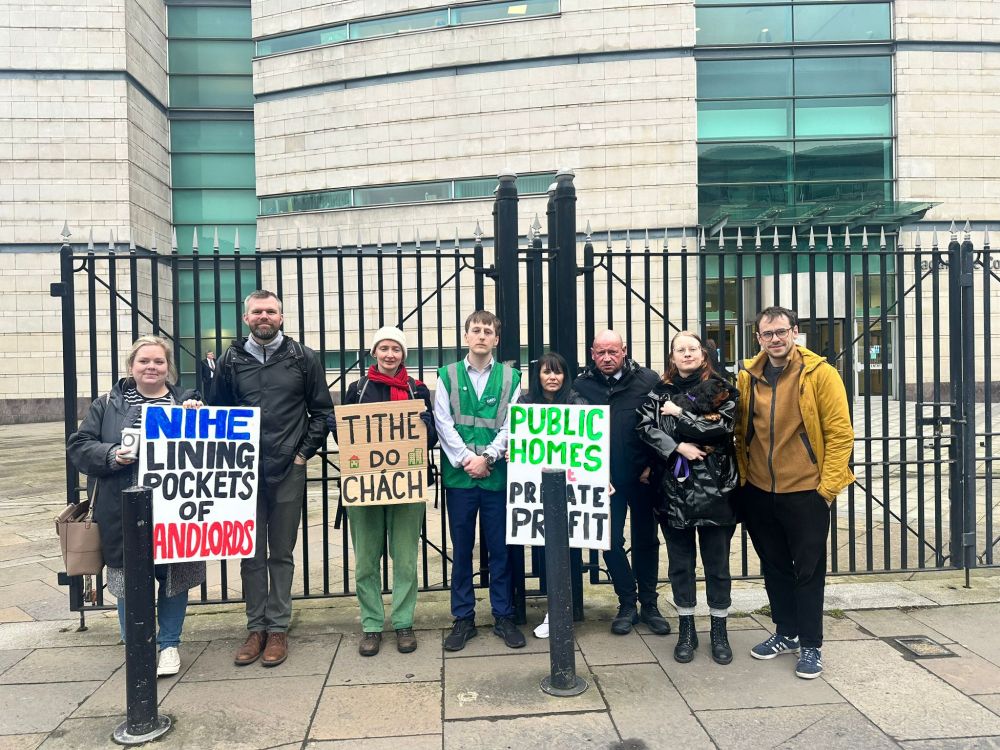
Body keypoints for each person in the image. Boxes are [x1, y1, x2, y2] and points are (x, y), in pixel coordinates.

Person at [67, 335, 206, 678]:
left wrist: (197, 419)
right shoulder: (106, 405)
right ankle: (137, 644)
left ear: (168, 368)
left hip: (175, 510)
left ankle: (169, 644)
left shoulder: (187, 401)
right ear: (132, 366)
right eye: (144, 361)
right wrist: (112, 455)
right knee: (129, 579)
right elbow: (80, 448)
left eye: (159, 362)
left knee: (174, 578)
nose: (151, 367)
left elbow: (207, 451)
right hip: (123, 508)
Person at [210, 290, 332, 668]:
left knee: (280, 552)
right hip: (243, 471)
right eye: (257, 311)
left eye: (271, 311)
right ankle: (255, 626)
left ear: (281, 317)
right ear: (246, 318)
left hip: (287, 469)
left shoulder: (302, 358)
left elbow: (322, 412)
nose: (264, 317)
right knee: (249, 553)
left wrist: (301, 455)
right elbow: (218, 412)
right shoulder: (230, 360)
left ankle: (277, 627)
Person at [736, 306, 855, 679]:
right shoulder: (748, 375)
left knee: (808, 571)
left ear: (795, 332)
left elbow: (840, 433)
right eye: (767, 334)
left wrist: (827, 489)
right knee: (773, 567)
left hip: (805, 491)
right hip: (758, 489)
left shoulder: (820, 373)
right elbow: (740, 428)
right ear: (758, 338)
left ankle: (811, 645)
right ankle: (785, 632)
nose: (775, 339)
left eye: (781, 332)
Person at [330, 326, 437, 656]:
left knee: (405, 559)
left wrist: (425, 424)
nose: (390, 354)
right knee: (365, 561)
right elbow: (343, 433)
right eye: (384, 348)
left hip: (407, 486)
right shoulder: (357, 389)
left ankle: (403, 621)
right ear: (374, 352)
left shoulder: (417, 389)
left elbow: (432, 438)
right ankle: (372, 624)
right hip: (365, 487)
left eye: (396, 349)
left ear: (403, 354)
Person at [637, 331, 739, 665]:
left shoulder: (724, 388)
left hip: (716, 488)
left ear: (703, 353)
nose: (686, 354)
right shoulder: (658, 392)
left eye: (692, 348)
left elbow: (721, 428)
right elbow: (646, 428)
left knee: (717, 565)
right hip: (673, 490)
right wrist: (676, 446)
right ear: (672, 356)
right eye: (680, 349)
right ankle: (686, 629)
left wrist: (680, 417)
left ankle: (719, 630)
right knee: (680, 565)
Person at [434, 310, 525, 651]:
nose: (482, 335)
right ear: (466, 336)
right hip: (460, 477)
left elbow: (512, 424)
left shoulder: (510, 378)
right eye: (476, 329)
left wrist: (486, 458)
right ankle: (463, 618)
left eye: (488, 331)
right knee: (461, 550)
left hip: (495, 475)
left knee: (500, 549)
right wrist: (466, 459)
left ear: (496, 339)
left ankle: (502, 615)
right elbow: (442, 422)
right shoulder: (447, 375)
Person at [573, 330, 668, 636]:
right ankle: (627, 602)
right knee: (608, 541)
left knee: (646, 541)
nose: (607, 358)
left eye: (613, 352)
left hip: (642, 478)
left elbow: (662, 426)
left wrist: (652, 467)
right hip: (604, 481)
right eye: (601, 352)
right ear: (592, 353)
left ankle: (650, 604)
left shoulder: (648, 381)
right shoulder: (581, 385)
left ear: (625, 351)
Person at [518, 352, 586, 639]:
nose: (552, 377)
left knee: (568, 551)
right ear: (538, 376)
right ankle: (552, 609)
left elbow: (589, 443)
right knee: (542, 550)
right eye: (547, 372)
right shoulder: (525, 403)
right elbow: (515, 436)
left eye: (557, 372)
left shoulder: (577, 402)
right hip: (536, 489)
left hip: (569, 487)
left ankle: (563, 612)